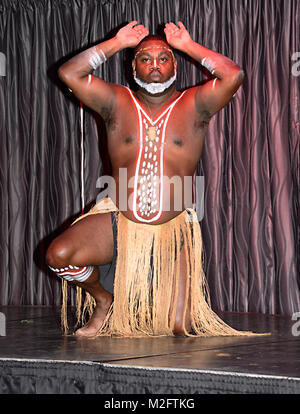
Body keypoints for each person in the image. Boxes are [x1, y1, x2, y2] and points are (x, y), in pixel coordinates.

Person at [46, 21, 252, 338]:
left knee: (180, 330)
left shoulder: (196, 105)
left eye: (164, 57)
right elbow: (69, 73)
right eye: (145, 58)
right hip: (120, 220)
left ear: (174, 63)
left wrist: (187, 44)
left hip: (174, 234)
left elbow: (233, 75)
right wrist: (116, 42)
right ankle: (104, 300)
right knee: (58, 255)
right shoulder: (115, 101)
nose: (154, 65)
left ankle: (174, 308)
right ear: (133, 66)